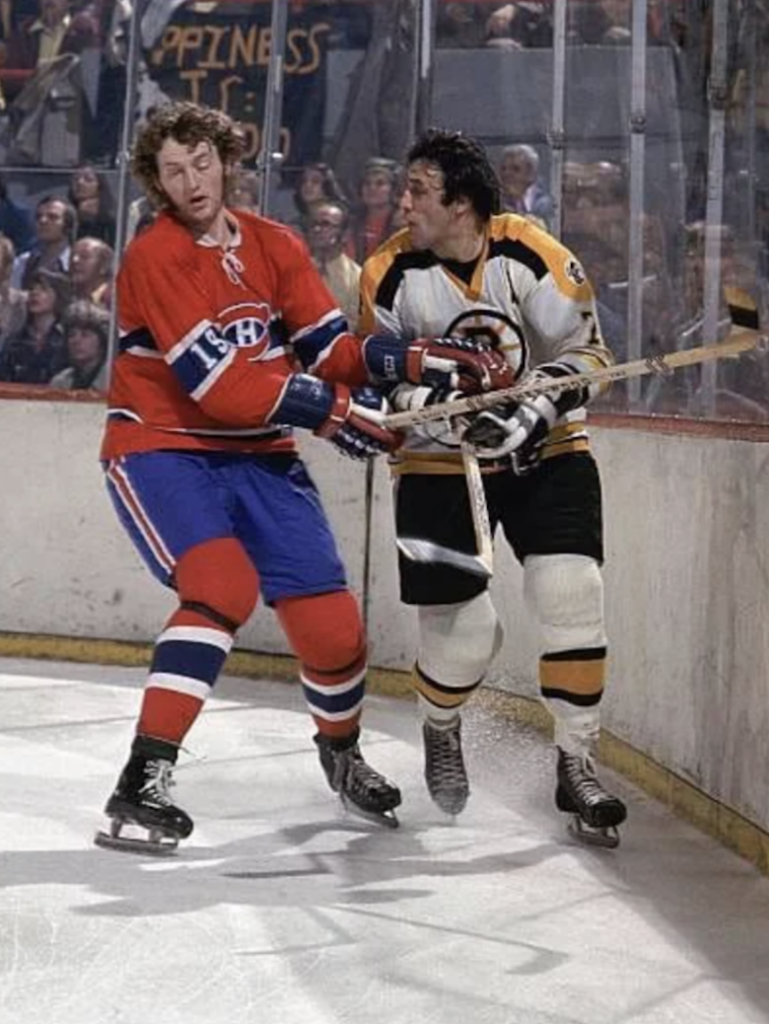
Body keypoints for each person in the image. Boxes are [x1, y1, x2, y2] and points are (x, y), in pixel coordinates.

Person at [95, 102, 508, 854]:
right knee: (221, 588)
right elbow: (215, 382)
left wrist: (411, 358)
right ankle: (144, 774)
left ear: (225, 158)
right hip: (162, 448)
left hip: (260, 456)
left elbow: (331, 351)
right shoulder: (154, 255)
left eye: (201, 162)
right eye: (172, 171)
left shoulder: (274, 244)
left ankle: (341, 754)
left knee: (335, 633)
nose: (191, 181)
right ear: (155, 183)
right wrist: (330, 411)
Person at [359, 127, 628, 848]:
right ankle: (440, 727)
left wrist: (535, 402)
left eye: (417, 190)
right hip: (435, 466)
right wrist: (432, 415)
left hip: (549, 453)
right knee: (469, 636)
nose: (402, 203)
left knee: (571, 594)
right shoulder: (388, 272)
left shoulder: (530, 252)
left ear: (462, 202)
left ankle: (576, 761)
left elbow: (590, 354)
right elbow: (369, 378)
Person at [306, 198, 361, 329]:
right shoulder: (296, 269)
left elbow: (354, 325)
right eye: (314, 224)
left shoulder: (356, 279)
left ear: (345, 234)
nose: (317, 229)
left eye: (326, 224)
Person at [49, 297, 109, 390]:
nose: (76, 341)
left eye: (85, 335)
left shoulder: (116, 381)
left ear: (102, 341)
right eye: (71, 335)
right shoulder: (60, 382)